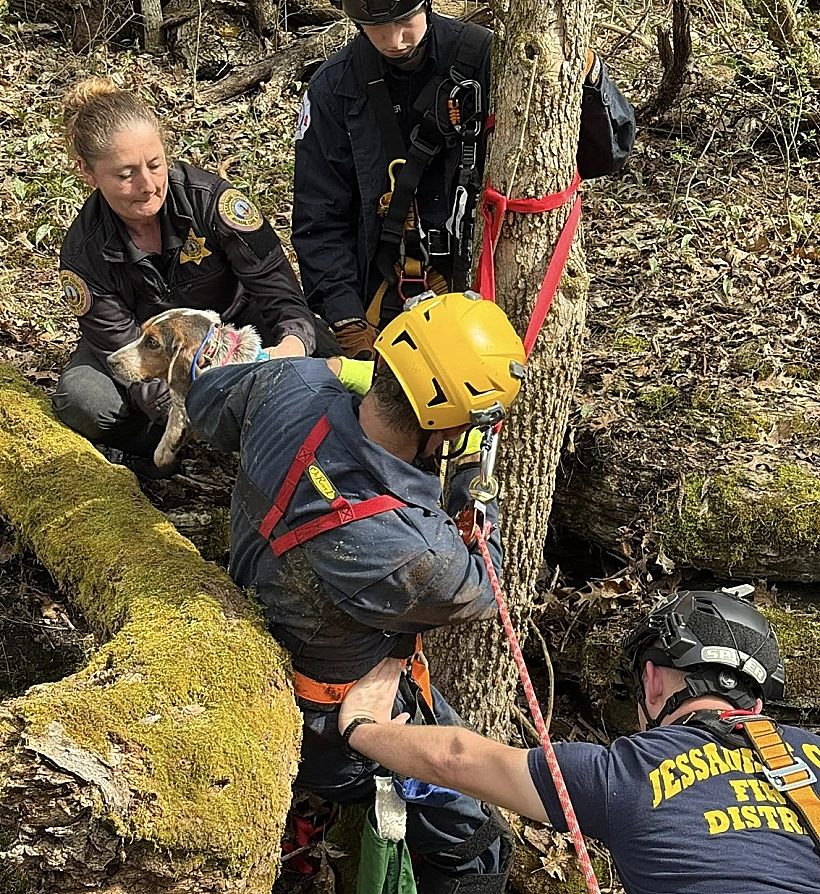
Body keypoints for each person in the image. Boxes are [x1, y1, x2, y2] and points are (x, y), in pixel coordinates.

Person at [185, 290, 527, 892]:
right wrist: (476, 489)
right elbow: (483, 586)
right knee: (472, 842)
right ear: (445, 422)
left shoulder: (287, 386)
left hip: (251, 631)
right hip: (335, 720)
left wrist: (329, 369)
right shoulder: (415, 552)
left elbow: (209, 401)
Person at [338, 588, 820, 893]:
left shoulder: (628, 771)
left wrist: (362, 727)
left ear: (653, 681)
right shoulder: (811, 755)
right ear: (757, 698)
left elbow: (456, 759)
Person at [292, 0, 637, 359]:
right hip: (384, 295)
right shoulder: (334, 89)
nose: (394, 40)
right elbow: (320, 218)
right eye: (376, 27)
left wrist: (589, 77)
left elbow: (603, 156)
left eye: (404, 21)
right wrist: (347, 321)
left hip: (487, 283)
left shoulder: (489, 58)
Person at [53, 76, 335, 476]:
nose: (148, 185)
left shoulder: (213, 203)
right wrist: (182, 408)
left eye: (155, 165)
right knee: (83, 397)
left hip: (236, 330)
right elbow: (120, 346)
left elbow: (282, 297)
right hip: (148, 350)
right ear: (88, 173)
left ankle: (303, 447)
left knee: (322, 351)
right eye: (125, 174)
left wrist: (291, 345)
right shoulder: (83, 253)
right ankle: (163, 450)